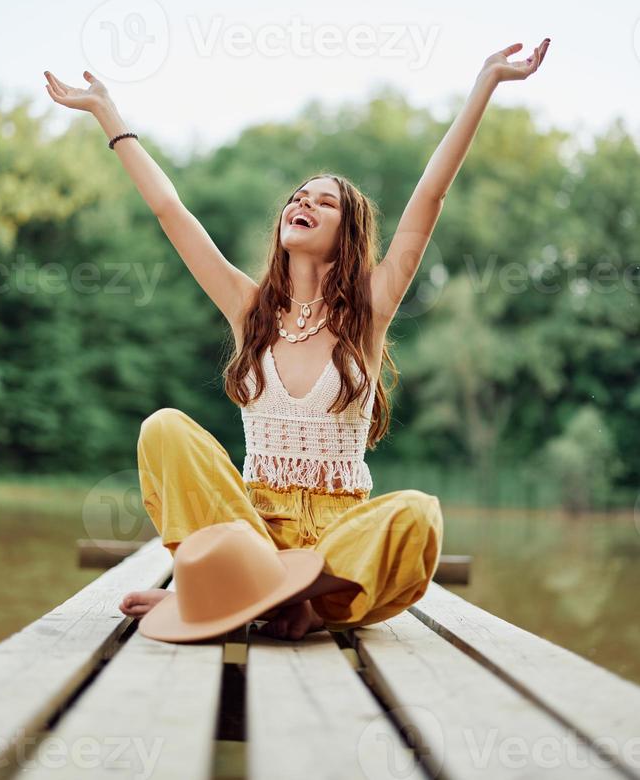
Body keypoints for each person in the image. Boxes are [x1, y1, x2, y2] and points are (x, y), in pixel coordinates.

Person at [43, 37, 550, 640]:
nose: (301, 203)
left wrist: (484, 86)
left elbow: (429, 197)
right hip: (251, 531)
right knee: (164, 429)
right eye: (297, 197)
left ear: (348, 231)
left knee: (418, 515)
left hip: (338, 542)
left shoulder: (370, 311)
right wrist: (109, 115)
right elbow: (170, 211)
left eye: (323, 201)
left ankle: (290, 602)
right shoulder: (249, 308)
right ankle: (248, 589)